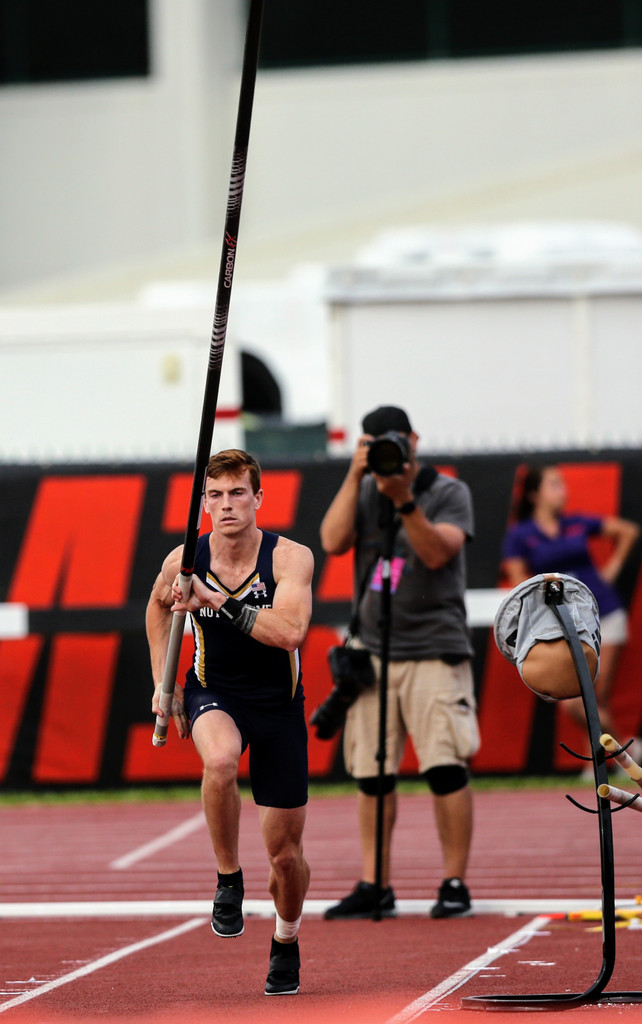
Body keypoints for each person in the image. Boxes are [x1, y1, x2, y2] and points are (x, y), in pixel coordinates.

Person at [147, 449, 314, 996]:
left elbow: (290, 631)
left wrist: (215, 600)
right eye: (215, 496)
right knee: (218, 761)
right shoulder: (184, 559)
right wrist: (163, 681)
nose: (226, 505)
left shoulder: (290, 558)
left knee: (286, 858)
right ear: (203, 503)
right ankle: (227, 880)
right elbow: (155, 607)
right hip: (213, 689)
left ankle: (285, 940)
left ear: (258, 498)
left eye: (237, 493)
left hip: (279, 705)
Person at [319, 405, 480, 920]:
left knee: (444, 768)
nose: (386, 452)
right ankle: (374, 882)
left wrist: (405, 500)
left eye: (392, 442)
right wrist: (355, 474)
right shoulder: (364, 489)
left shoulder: (448, 492)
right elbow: (331, 541)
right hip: (372, 649)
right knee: (372, 773)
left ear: (414, 439)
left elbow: (437, 554)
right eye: (373, 444)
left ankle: (454, 881)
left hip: (435, 647)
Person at [501, 464, 640, 745]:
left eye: (562, 484)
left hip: (604, 612)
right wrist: (551, 596)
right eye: (554, 484)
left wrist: (609, 571)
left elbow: (628, 530)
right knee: (576, 701)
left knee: (596, 696)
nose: (562, 491)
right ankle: (628, 751)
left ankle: (603, 758)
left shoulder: (575, 523)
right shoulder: (521, 534)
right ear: (533, 494)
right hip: (561, 624)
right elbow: (520, 582)